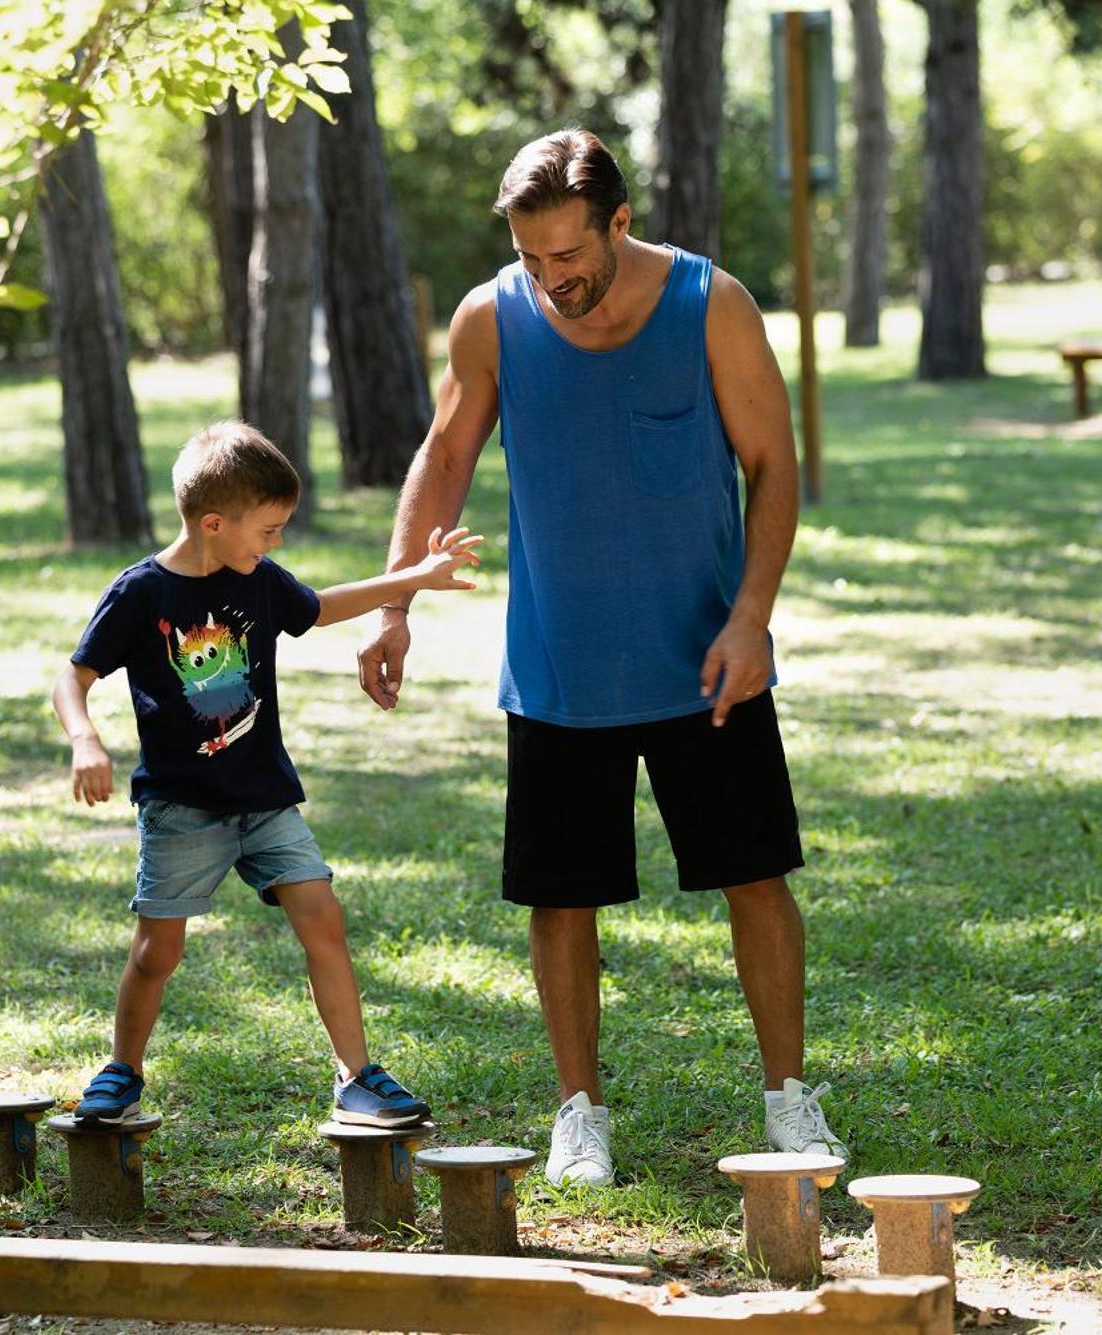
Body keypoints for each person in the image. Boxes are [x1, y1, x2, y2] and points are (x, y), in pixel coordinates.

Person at [355, 130, 847, 1185]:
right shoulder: (492, 318)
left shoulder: (710, 304)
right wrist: (392, 605)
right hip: (557, 663)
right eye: (530, 258)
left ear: (619, 223)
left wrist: (751, 617)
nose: (549, 279)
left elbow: (770, 464)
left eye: (566, 256)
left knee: (755, 878)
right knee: (559, 897)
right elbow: (444, 454)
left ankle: (786, 1102)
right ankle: (579, 1113)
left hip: (703, 656)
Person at [53, 420, 482, 1129]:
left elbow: (319, 608)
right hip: (182, 806)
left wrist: (415, 579)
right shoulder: (141, 594)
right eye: (269, 530)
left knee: (322, 913)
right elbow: (73, 677)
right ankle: (122, 1069)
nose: (275, 544)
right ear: (214, 523)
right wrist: (84, 738)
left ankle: (356, 1076)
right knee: (159, 950)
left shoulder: (259, 581)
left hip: (264, 797)